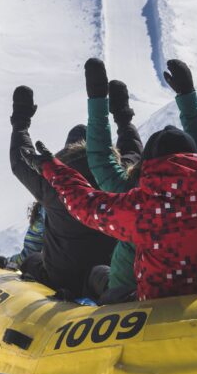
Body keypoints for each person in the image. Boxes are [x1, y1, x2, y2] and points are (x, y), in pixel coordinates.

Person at [19, 60, 197, 301]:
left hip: (155, 320)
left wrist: (51, 168)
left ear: (147, 165)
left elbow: (85, 203)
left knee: (97, 276)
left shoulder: (141, 210)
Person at [83, 57, 197, 302]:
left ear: (147, 164)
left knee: (95, 275)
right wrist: (187, 96)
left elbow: (100, 157)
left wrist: (97, 101)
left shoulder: (134, 198)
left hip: (132, 296)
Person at [8, 86, 117, 297]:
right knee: (103, 273)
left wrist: (20, 123)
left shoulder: (53, 182)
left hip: (62, 277)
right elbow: (133, 152)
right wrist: (124, 120)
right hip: (104, 273)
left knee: (33, 261)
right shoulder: (114, 178)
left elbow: (20, 161)